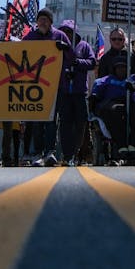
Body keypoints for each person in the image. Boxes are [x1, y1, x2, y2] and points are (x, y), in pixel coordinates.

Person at [24, 8, 73, 167]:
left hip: (55, 85)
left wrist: (65, 48)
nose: (43, 22)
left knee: (52, 121)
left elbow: (72, 57)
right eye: (40, 19)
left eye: (46, 19)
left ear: (51, 22)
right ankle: (38, 153)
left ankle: (49, 152)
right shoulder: (30, 37)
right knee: (37, 121)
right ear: (37, 22)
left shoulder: (60, 36)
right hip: (35, 86)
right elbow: (19, 53)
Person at [90, 55, 135, 162]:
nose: (121, 70)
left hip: (133, 102)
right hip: (113, 103)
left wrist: (134, 87)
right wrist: (94, 97)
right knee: (115, 111)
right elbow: (96, 92)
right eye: (119, 67)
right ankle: (121, 146)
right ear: (114, 69)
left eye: (124, 67)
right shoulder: (106, 80)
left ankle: (134, 145)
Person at [57, 20, 96, 165]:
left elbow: (92, 62)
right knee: (65, 124)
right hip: (64, 90)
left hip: (79, 91)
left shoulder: (84, 46)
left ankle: (79, 151)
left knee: (81, 122)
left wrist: (78, 63)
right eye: (64, 31)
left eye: (69, 31)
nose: (66, 34)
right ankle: (67, 154)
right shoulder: (58, 46)